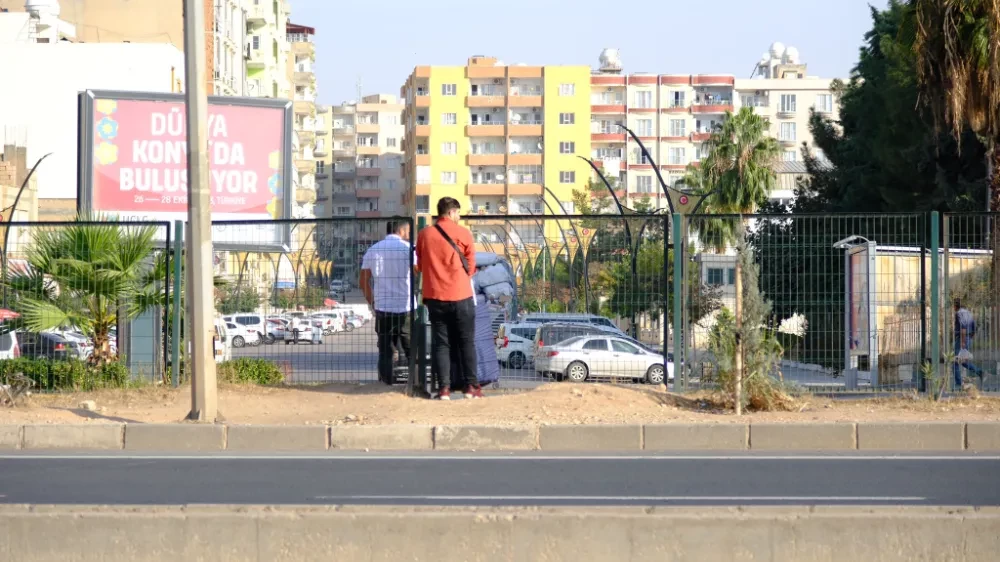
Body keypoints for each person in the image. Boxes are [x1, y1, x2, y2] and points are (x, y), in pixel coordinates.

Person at [415, 197, 481, 400]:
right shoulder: (464, 233)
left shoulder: (424, 234)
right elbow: (470, 268)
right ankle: (471, 387)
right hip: (461, 295)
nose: (459, 217)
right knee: (466, 341)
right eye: (458, 214)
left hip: (435, 296)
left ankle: (444, 389)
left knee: (441, 343)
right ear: (452, 212)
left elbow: (420, 263)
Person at [360, 221, 415, 385]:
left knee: (385, 351)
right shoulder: (408, 249)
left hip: (383, 307)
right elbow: (419, 271)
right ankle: (414, 384)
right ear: (401, 230)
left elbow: (363, 282)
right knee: (411, 349)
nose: (409, 234)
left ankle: (384, 385)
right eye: (408, 231)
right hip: (406, 307)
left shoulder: (373, 250)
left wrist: (373, 302)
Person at [953, 299, 984, 389]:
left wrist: (963, 342)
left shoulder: (959, 313)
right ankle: (980, 372)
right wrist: (969, 338)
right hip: (968, 338)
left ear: (955, 306)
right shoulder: (969, 313)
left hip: (962, 339)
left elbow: (963, 327)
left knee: (955, 362)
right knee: (963, 362)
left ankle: (959, 384)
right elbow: (974, 327)